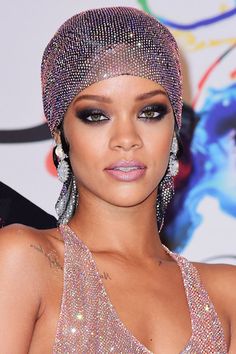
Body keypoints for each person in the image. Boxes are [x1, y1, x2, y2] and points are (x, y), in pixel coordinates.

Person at [0, 6, 235, 353]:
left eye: (150, 112)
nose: (126, 138)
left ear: (174, 127)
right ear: (60, 133)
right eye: (96, 115)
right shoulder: (24, 259)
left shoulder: (226, 294)